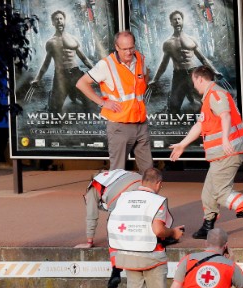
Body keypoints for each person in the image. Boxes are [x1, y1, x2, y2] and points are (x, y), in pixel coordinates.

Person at [169, 65, 243, 240]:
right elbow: (200, 125)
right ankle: (208, 226)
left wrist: (224, 140)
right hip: (223, 153)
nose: (193, 86)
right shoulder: (209, 97)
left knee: (221, 193)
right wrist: (183, 144)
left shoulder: (215, 94)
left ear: (200, 79)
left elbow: (225, 116)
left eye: (194, 82)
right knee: (208, 193)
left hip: (227, 152)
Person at [107, 167, 185, 288]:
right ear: (159, 183)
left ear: (142, 181)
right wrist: (174, 232)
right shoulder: (157, 201)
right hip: (152, 258)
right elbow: (158, 230)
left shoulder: (124, 198)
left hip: (128, 256)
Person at [76, 30, 154, 173]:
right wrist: (102, 103)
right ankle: (115, 196)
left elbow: (144, 76)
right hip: (119, 126)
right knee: (117, 172)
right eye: (124, 49)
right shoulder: (106, 65)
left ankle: (145, 194)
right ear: (116, 47)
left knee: (149, 172)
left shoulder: (140, 58)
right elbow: (81, 83)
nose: (129, 52)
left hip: (140, 124)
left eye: (131, 48)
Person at [78, 169, 142, 288]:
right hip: (140, 180)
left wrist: (89, 240)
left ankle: (116, 270)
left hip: (119, 192)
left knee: (113, 230)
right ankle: (163, 235)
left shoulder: (93, 186)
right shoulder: (114, 175)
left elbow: (92, 215)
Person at [148, 10, 221, 114]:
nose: (177, 21)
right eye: (174, 19)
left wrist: (214, 71)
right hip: (179, 75)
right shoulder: (168, 43)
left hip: (194, 74)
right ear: (171, 23)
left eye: (179, 19)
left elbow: (202, 58)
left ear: (182, 21)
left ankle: (202, 118)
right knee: (173, 109)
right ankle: (186, 99)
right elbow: (163, 64)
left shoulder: (191, 40)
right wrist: (155, 79)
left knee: (208, 104)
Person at [30, 10, 95, 113]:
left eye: (61, 18)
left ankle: (73, 92)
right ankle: (58, 95)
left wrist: (96, 71)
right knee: (53, 109)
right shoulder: (51, 42)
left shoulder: (73, 39)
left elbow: (84, 59)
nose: (59, 21)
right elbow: (46, 63)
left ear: (64, 20)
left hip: (75, 74)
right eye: (56, 19)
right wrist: (37, 79)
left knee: (90, 105)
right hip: (60, 76)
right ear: (53, 23)